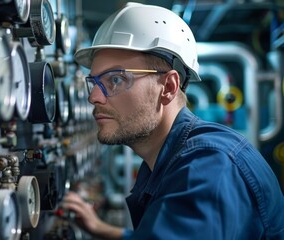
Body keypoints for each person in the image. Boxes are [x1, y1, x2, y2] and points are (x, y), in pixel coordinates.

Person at [62, 2, 284, 239]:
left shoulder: (208, 167)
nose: (93, 97)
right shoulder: (172, 160)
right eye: (94, 82)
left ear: (168, 87)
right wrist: (100, 229)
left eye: (115, 80)